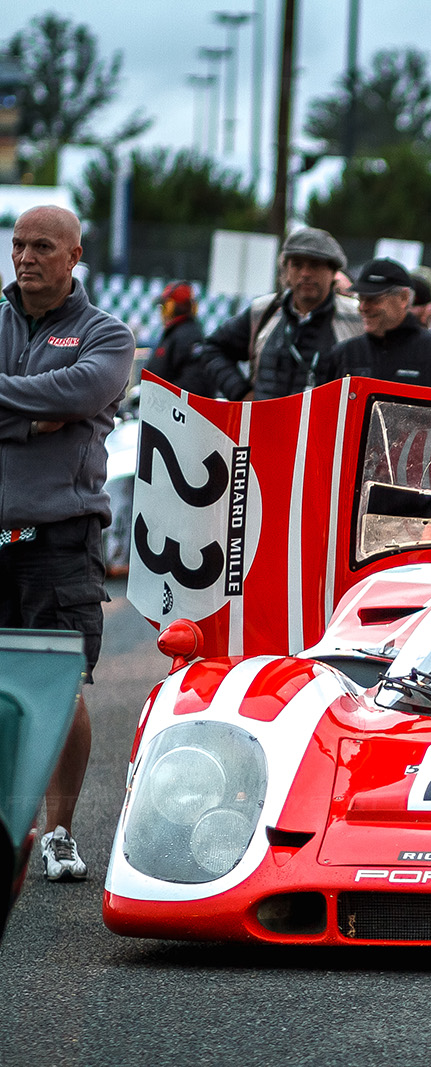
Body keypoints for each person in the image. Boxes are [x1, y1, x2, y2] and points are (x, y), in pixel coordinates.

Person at [0, 206, 136, 879]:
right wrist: (34, 416)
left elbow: (85, 390)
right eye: (18, 244)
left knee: (61, 683)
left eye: (42, 246)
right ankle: (8, 821)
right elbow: (54, 402)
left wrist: (43, 407)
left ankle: (58, 831)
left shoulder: (106, 334)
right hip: (2, 531)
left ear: (74, 255)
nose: (25, 257)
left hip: (59, 534)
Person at [197, 227, 362, 400]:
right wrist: (240, 392)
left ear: (333, 272)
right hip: (262, 425)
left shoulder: (356, 317)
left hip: (324, 427)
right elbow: (211, 348)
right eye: (297, 265)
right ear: (286, 271)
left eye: (315, 265)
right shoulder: (262, 311)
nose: (305, 274)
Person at [324, 258, 431, 391]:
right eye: (360, 299)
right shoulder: (344, 354)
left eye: (373, 299)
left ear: (403, 298)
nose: (363, 308)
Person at [142, 281, 215, 395]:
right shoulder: (177, 333)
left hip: (169, 408)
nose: (161, 311)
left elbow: (194, 384)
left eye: (164, 305)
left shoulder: (188, 336)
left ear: (171, 306)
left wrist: (162, 397)